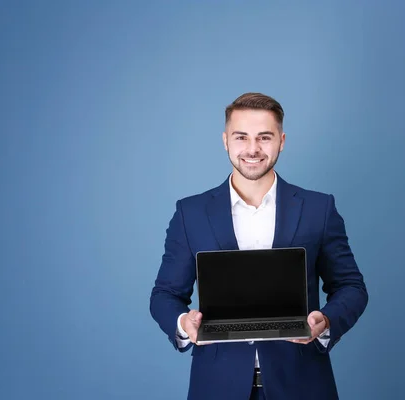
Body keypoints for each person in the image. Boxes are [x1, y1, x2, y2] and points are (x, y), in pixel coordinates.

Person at [149, 92, 368, 400]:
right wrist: (183, 323)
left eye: (264, 137)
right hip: (217, 386)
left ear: (281, 140)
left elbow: (351, 286)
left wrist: (327, 320)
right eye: (242, 137)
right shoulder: (191, 213)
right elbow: (165, 294)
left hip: (302, 384)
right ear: (226, 140)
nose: (252, 149)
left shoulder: (319, 208)